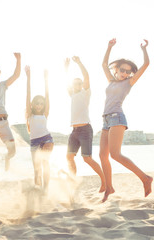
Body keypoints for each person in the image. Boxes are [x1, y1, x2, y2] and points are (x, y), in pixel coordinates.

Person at [100, 38, 153, 202]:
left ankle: (145, 178)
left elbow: (146, 65)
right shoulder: (111, 81)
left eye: (128, 71)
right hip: (106, 120)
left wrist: (144, 49)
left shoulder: (128, 83)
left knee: (115, 155)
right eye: (122, 70)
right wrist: (109, 47)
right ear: (116, 69)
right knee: (103, 156)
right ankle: (109, 187)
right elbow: (103, 64)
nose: (124, 73)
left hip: (117, 118)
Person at [64, 56, 105, 192]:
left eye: (79, 83)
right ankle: (72, 181)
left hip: (85, 130)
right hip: (74, 131)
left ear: (81, 85)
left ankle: (104, 181)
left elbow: (86, 76)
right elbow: (65, 81)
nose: (76, 85)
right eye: (74, 83)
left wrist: (79, 63)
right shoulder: (72, 95)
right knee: (69, 157)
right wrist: (66, 67)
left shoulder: (86, 93)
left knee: (87, 158)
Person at [25, 66, 54, 193]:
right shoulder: (29, 114)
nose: (39, 105)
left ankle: (46, 190)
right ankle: (38, 191)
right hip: (34, 143)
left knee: (45, 163)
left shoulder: (45, 113)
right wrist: (28, 77)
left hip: (46, 139)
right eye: (36, 103)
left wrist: (46, 80)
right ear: (32, 104)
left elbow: (47, 97)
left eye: (41, 103)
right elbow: (28, 95)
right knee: (37, 169)